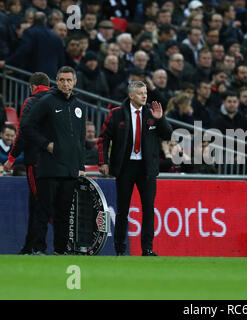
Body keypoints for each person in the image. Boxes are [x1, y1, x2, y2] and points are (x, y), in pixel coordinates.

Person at [98, 81, 173, 256]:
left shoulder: (152, 113)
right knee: (123, 209)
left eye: (145, 93)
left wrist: (160, 118)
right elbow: (103, 138)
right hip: (125, 167)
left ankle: (147, 249)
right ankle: (119, 248)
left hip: (146, 168)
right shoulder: (116, 114)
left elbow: (168, 134)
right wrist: (104, 161)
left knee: (148, 208)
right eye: (140, 93)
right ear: (131, 95)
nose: (145, 96)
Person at [21, 66, 87, 255]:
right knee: (43, 211)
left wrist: (80, 165)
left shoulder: (80, 107)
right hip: (49, 167)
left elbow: (80, 139)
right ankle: (39, 249)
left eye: (68, 80)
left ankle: (60, 250)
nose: (65, 84)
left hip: (70, 169)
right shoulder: (46, 102)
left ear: (75, 82)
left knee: (64, 214)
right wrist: (45, 144)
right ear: (56, 82)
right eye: (61, 80)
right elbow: (27, 126)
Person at [3, 71, 50, 254]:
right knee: (49, 203)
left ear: (32, 86)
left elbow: (23, 132)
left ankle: (35, 246)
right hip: (56, 161)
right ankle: (34, 246)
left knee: (38, 203)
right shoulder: (57, 100)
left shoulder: (31, 101)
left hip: (36, 161)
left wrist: (12, 157)